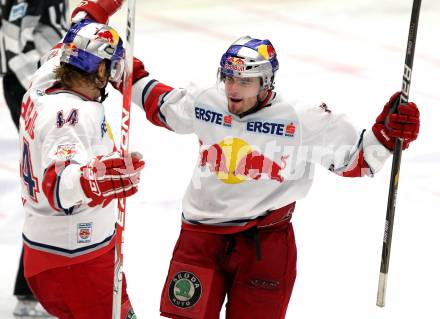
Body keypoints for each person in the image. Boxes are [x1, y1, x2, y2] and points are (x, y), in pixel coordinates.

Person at [75, 2, 420, 318]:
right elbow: (155, 99)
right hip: (200, 238)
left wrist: (388, 134)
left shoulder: (301, 118)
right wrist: (99, 44)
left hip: (265, 245)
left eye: (245, 80)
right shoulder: (206, 101)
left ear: (266, 82)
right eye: (228, 77)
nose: (233, 89)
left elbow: (358, 161)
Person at [18, 17, 145, 318]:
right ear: (100, 69)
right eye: (110, 65)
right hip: (77, 260)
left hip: (45, 253)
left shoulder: (46, 77)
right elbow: (58, 185)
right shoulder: (73, 114)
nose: (114, 73)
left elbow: (81, 24)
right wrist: (94, 181)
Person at [0, 1, 67, 317]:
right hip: (31, 89)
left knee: (58, 178)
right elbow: (14, 45)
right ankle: (30, 293)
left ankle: (38, 287)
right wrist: (46, 93)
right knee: (49, 181)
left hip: (51, 88)